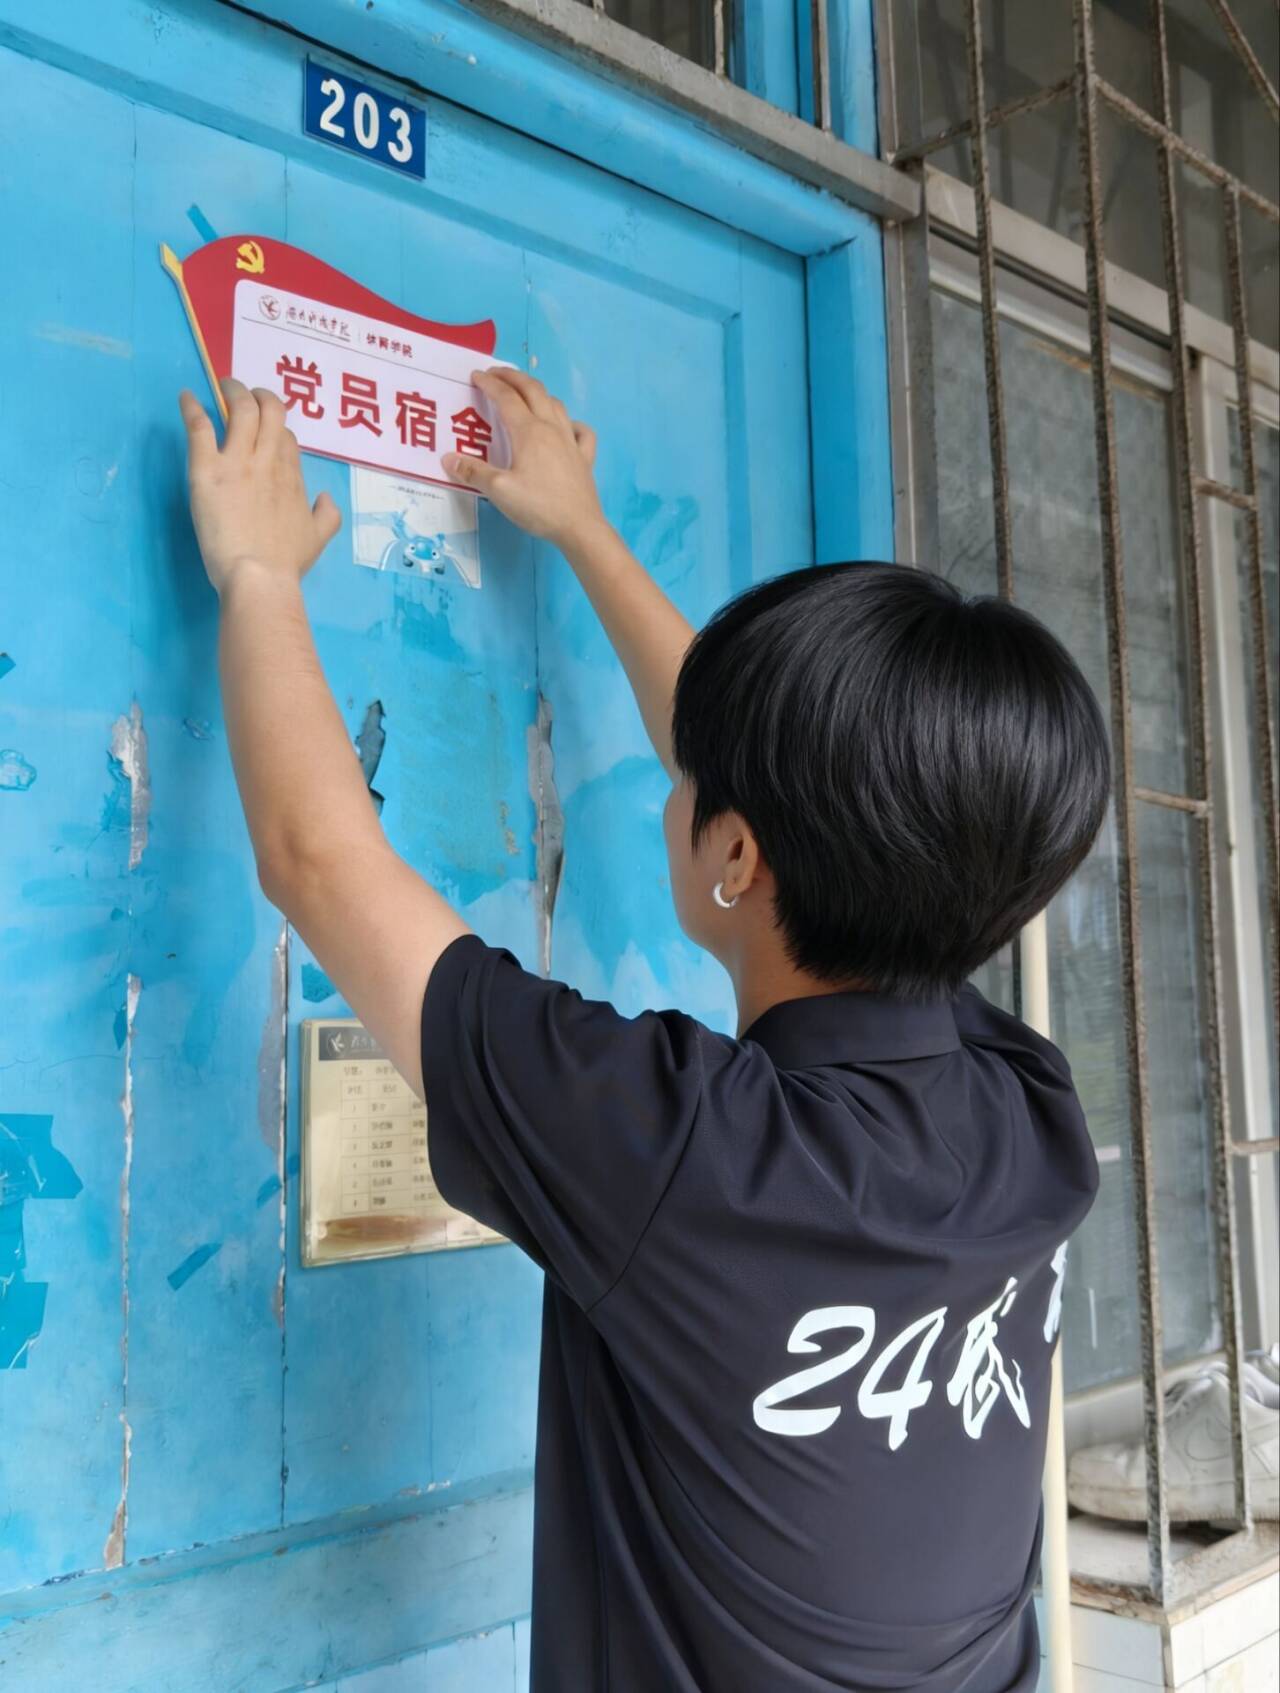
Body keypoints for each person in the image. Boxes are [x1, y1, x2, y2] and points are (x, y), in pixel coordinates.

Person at [178, 369, 1108, 1693]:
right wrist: (583, 529)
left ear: (735, 854)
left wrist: (258, 570)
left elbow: (317, 859)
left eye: (693, 782)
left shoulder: (688, 1153)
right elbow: (798, 792)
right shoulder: (1027, 1105)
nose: (678, 783)